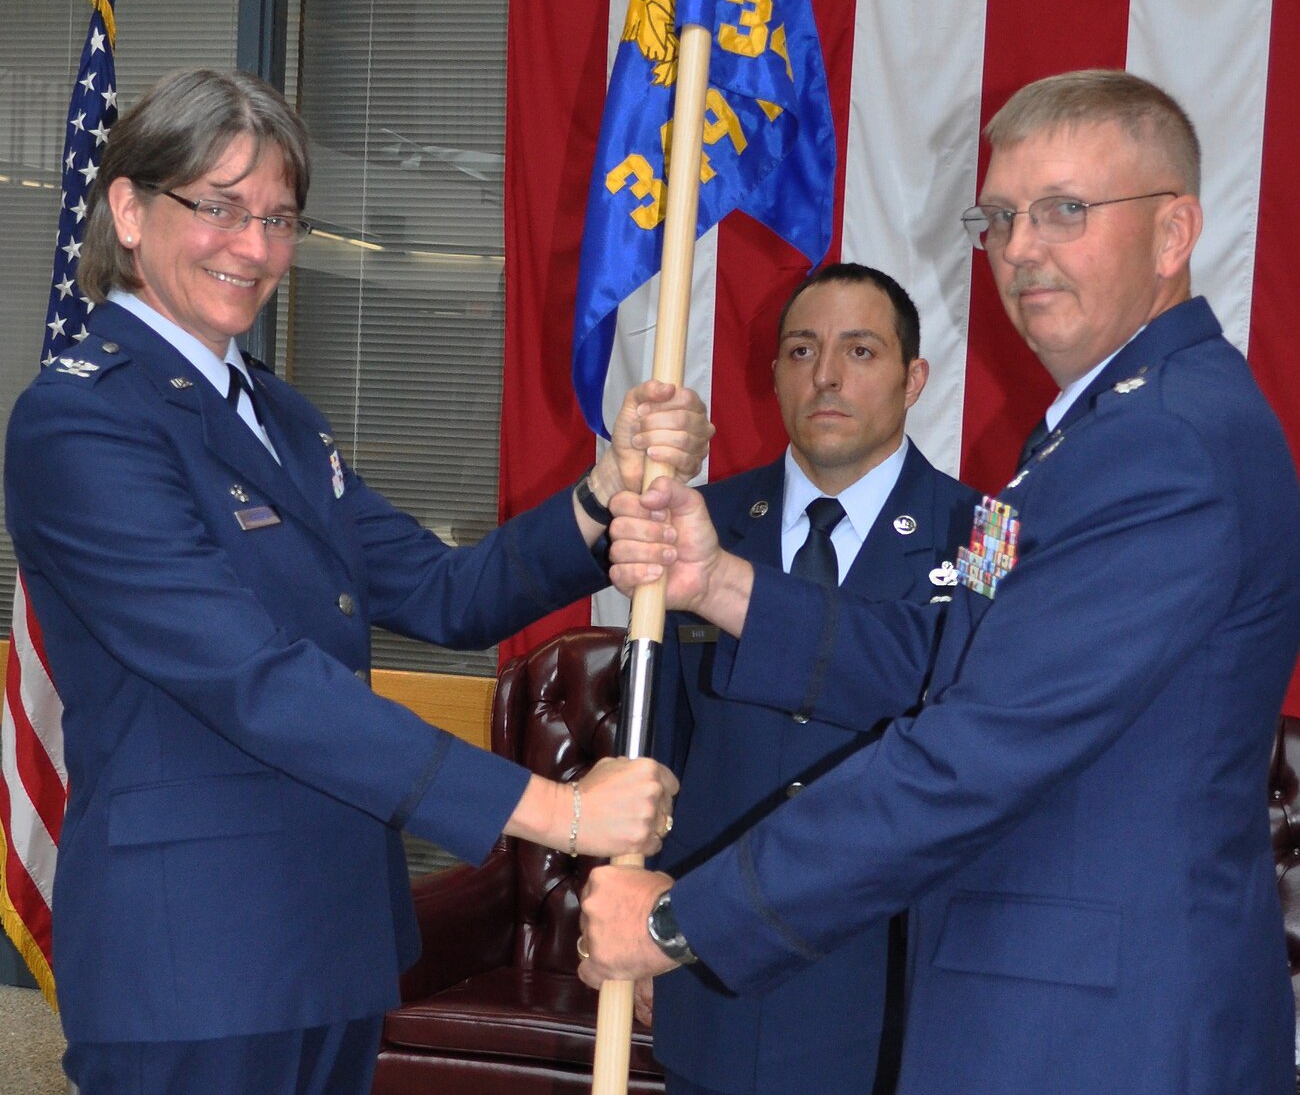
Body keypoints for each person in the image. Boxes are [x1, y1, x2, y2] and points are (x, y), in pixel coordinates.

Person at [581, 70, 1300, 1095]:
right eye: (1000, 215)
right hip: (1047, 1008)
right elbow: (951, 664)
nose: (1019, 248)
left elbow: (973, 747)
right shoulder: (1101, 429)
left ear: (1173, 230)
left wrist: (678, 917)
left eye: (1064, 210)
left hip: (1098, 1033)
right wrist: (723, 581)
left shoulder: (1164, 442)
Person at [3, 66, 707, 1095]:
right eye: (220, 207)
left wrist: (600, 493)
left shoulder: (280, 416)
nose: (254, 247)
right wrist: (555, 812)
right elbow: (259, 678)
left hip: (324, 936)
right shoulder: (82, 420)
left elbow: (440, 590)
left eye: (280, 217)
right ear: (127, 206)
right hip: (192, 957)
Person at [646, 262, 976, 1095]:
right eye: (802, 349)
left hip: (882, 989)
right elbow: (654, 744)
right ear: (775, 376)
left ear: (915, 379)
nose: (825, 375)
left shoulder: (980, 540)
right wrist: (643, 909)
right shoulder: (702, 525)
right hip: (712, 976)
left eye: (860, 350)